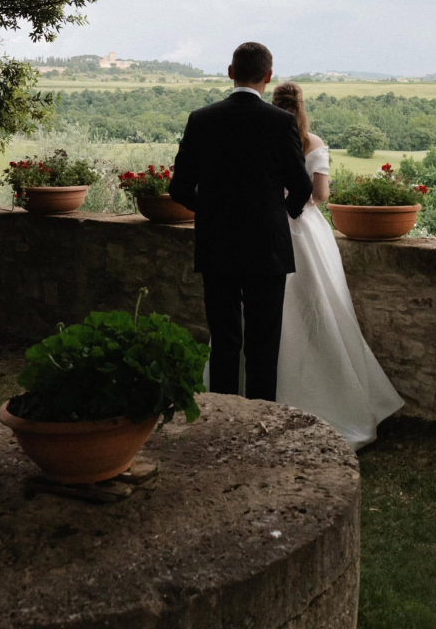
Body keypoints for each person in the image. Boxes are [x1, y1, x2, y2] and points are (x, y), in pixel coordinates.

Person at [170, 42, 313, 401]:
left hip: (216, 244)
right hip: (267, 247)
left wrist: (212, 212)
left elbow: (180, 188)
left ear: (230, 72)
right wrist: (282, 214)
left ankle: (222, 416)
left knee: (224, 339)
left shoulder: (201, 119)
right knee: (263, 342)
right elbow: (301, 186)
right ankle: (260, 416)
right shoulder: (280, 122)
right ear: (268, 75)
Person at [271, 81, 403, 450]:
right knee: (320, 311)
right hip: (306, 233)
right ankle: (333, 396)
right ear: (302, 106)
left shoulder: (265, 135)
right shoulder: (312, 142)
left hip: (270, 228)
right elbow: (321, 196)